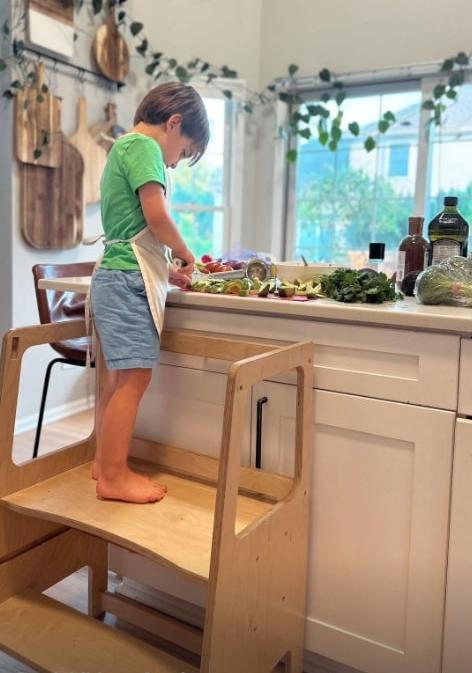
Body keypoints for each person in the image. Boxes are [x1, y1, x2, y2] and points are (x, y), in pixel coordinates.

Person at [90, 82, 210, 504]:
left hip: (118, 274)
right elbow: (155, 215)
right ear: (173, 124)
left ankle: (104, 464)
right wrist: (183, 251)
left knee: (118, 379)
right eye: (183, 151)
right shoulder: (143, 148)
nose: (175, 164)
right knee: (134, 380)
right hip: (125, 281)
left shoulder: (122, 147)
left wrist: (166, 270)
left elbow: (135, 234)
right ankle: (114, 477)